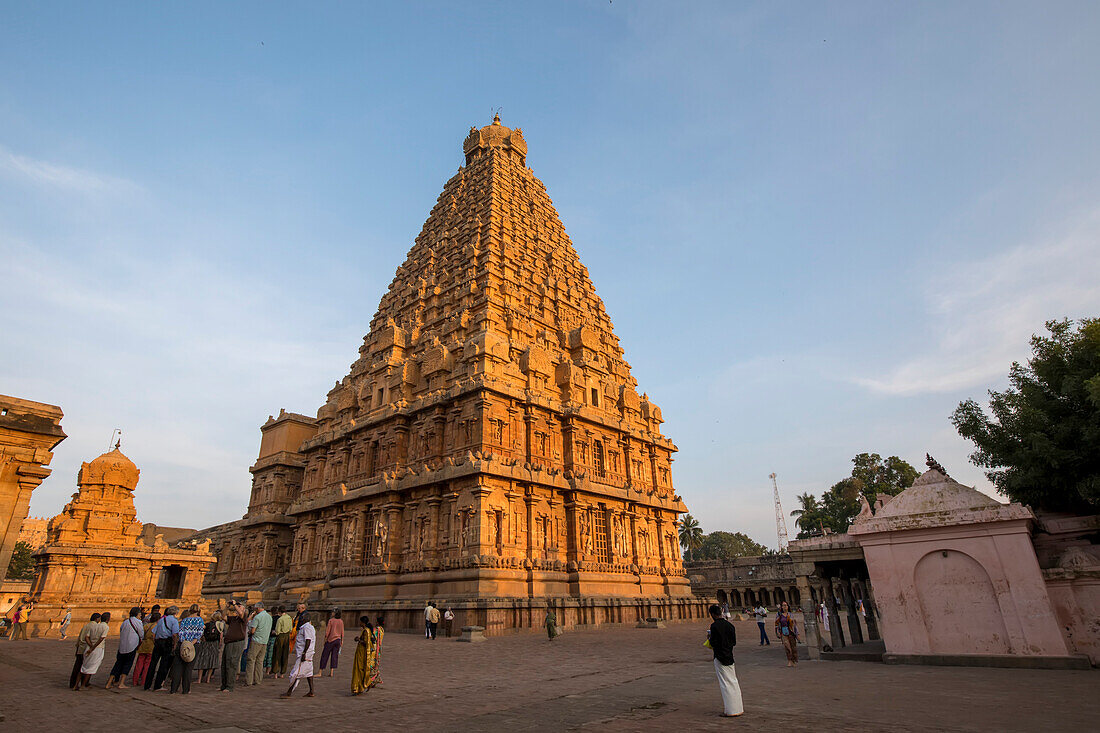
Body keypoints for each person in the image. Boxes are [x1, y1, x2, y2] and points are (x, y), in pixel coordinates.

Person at [707, 603, 743, 718]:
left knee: (725, 683)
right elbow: (734, 642)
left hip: (719, 656)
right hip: (729, 656)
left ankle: (730, 710)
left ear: (713, 614)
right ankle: (738, 708)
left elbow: (713, 643)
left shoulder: (714, 626)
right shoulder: (730, 626)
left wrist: (709, 638)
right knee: (733, 681)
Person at [105, 607, 144, 689]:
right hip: (132, 646)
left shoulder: (125, 622)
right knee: (128, 664)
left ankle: (109, 682)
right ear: (137, 614)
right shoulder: (138, 622)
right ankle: (121, 683)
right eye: (140, 614)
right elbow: (141, 634)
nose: (140, 616)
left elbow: (121, 630)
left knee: (118, 664)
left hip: (122, 646)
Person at [169, 604, 204, 694]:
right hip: (193, 645)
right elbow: (199, 634)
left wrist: (184, 642)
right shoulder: (200, 620)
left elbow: (180, 633)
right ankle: (186, 689)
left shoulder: (184, 620)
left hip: (182, 643)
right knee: (188, 668)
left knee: (178, 667)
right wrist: (190, 644)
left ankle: (173, 689)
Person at [281, 611, 316, 698]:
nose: (300, 619)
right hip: (308, 653)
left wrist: (304, 653)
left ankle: (289, 692)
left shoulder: (306, 627)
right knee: (309, 672)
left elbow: (308, 640)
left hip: (304, 654)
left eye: (301, 618)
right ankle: (311, 691)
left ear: (305, 619)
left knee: (295, 673)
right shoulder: (310, 627)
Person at [145, 605, 179, 691]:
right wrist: (174, 644)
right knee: (163, 665)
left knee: (153, 664)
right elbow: (175, 634)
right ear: (176, 613)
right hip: (167, 643)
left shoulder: (161, 620)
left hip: (158, 642)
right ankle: (158, 685)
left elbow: (153, 633)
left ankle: (147, 685)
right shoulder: (174, 621)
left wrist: (155, 641)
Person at [77, 611, 111, 690]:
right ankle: (83, 685)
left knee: (84, 666)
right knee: (91, 667)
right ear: (108, 619)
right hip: (97, 649)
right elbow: (101, 638)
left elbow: (87, 637)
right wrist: (93, 648)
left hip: (88, 647)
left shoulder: (94, 626)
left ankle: (76, 685)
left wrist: (90, 646)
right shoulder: (105, 627)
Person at [220, 601, 248, 692]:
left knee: (232, 664)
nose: (237, 608)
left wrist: (235, 604)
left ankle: (229, 686)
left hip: (236, 643)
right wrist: (226, 607)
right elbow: (223, 616)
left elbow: (240, 613)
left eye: (240, 606)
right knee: (225, 664)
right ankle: (224, 685)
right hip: (229, 643)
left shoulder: (243, 618)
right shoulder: (233, 619)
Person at [70, 613, 101, 689]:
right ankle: (84, 682)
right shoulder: (95, 627)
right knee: (87, 666)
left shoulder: (86, 626)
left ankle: (73, 683)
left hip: (80, 648)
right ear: (97, 619)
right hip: (87, 649)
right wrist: (92, 647)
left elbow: (79, 638)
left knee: (77, 666)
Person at [245, 601, 272, 686]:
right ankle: (258, 680)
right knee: (260, 661)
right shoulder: (269, 617)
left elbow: (252, 631)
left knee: (251, 660)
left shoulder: (257, 617)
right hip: (264, 641)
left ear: (257, 608)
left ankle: (249, 681)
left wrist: (249, 631)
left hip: (256, 640)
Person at [132, 610, 159, 687]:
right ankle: (143, 681)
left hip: (143, 645)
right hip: (151, 646)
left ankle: (135, 680)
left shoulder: (146, 626)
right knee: (147, 665)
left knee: (139, 664)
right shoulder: (156, 627)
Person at [350, 616, 376, 695]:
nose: (359, 623)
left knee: (359, 670)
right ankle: (360, 687)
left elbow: (365, 642)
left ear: (363, 623)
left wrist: (358, 640)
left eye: (360, 622)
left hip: (362, 653)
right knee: (360, 670)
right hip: (362, 653)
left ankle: (357, 687)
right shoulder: (367, 631)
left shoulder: (366, 631)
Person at [194, 610, 221, 683]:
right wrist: (219, 644)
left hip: (206, 643)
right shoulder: (219, 625)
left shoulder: (208, 624)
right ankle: (208, 679)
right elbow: (221, 636)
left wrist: (202, 638)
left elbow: (201, 630)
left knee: (202, 660)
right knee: (211, 661)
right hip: (214, 643)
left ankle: (199, 679)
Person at [775, 601, 800, 667]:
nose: (784, 607)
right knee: (787, 647)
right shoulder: (779, 615)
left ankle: (793, 660)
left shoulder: (790, 614)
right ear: (781, 607)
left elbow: (794, 625)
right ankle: (789, 660)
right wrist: (777, 633)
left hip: (791, 632)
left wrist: (797, 633)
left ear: (788, 606)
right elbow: (776, 624)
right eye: (783, 605)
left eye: (786, 605)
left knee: (793, 647)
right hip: (783, 632)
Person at [320, 608, 344, 677]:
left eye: (333, 612)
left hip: (331, 640)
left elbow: (327, 632)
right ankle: (331, 672)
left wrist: (325, 640)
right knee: (334, 656)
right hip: (338, 640)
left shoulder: (331, 621)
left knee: (325, 655)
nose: (332, 613)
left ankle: (320, 671)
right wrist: (342, 641)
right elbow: (342, 632)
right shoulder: (341, 621)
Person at [272, 605, 293, 678]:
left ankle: (275, 672)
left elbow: (277, 631)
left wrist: (273, 632)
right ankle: (282, 673)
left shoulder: (280, 619)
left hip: (280, 637)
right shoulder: (289, 618)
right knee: (285, 655)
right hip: (287, 636)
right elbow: (291, 629)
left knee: (277, 654)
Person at [371, 616, 385, 687]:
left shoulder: (377, 629)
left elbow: (373, 637)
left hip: (374, 649)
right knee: (376, 664)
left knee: (372, 664)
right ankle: (374, 679)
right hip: (379, 649)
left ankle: (372, 680)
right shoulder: (382, 629)